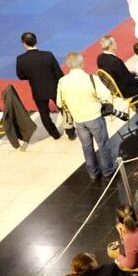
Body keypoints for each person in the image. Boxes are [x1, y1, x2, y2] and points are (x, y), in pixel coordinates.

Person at [56, 52, 115, 180]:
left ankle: (93, 173)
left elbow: (59, 102)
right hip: (94, 117)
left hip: (78, 119)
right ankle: (108, 170)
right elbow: (105, 95)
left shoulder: (62, 81)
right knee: (103, 145)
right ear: (82, 63)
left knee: (87, 147)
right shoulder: (91, 79)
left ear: (67, 65)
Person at [15, 31, 64, 140]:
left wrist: (32, 76)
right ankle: (70, 131)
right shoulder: (48, 55)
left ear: (24, 43)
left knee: (44, 113)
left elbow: (21, 76)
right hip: (54, 88)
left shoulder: (21, 59)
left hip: (38, 90)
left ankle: (54, 134)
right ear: (36, 41)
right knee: (64, 109)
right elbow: (59, 73)